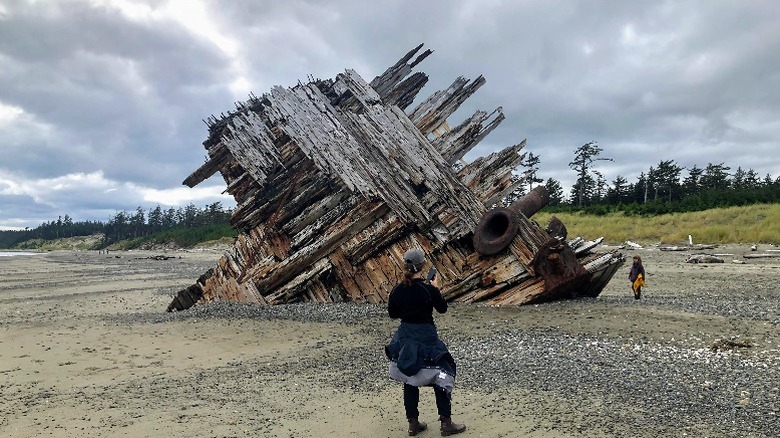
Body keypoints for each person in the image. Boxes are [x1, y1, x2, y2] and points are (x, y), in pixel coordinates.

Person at [385, 247, 466, 436]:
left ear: (404, 266)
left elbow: (392, 314)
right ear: (423, 266)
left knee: (409, 375)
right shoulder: (428, 289)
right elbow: (442, 309)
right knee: (442, 375)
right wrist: (435, 289)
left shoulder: (397, 290)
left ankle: (413, 424)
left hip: (406, 337)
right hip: (427, 337)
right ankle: (446, 423)